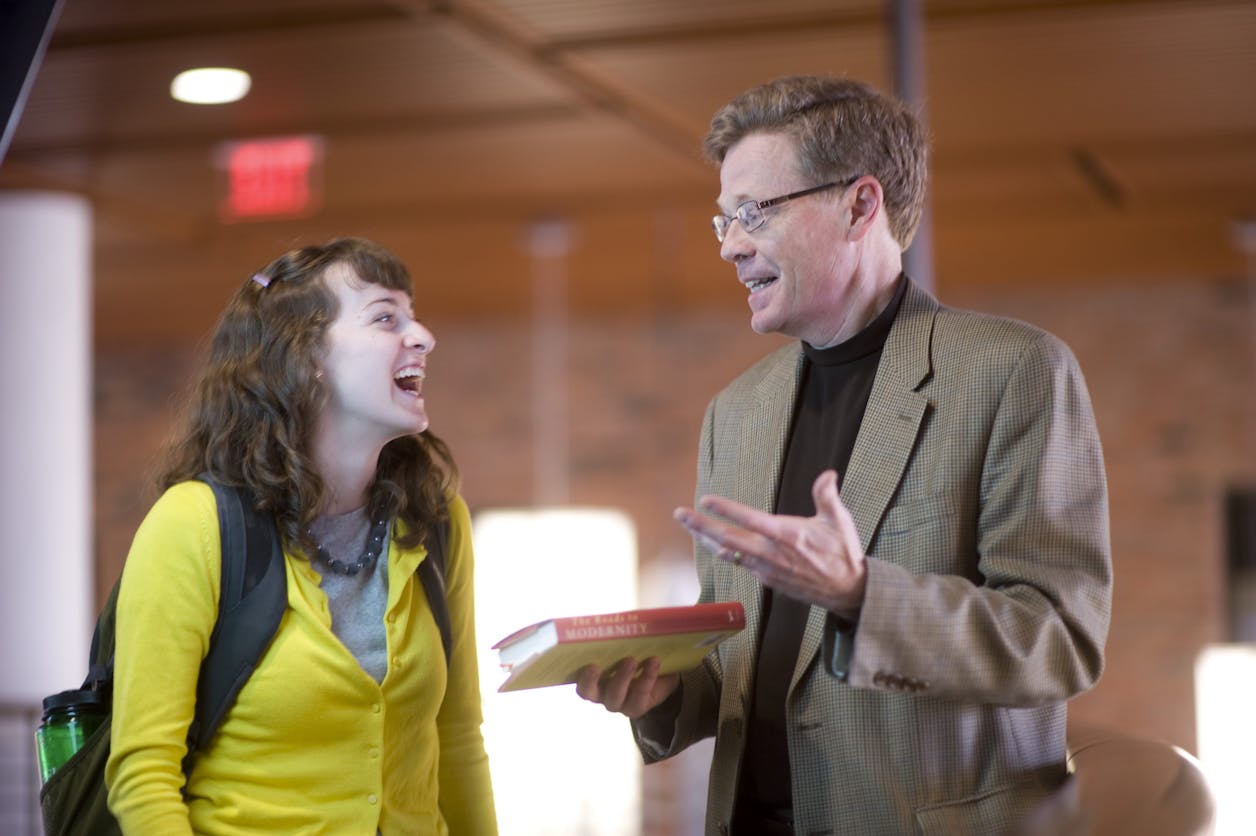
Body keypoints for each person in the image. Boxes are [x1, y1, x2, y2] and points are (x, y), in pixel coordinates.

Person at [576, 76, 1112, 835]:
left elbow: (1057, 641)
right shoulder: (736, 413)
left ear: (860, 206)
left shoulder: (1012, 370)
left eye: (755, 213)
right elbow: (736, 660)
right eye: (724, 219)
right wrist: (661, 691)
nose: (730, 245)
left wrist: (862, 595)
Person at [104, 237, 498, 834]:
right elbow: (143, 774)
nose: (422, 336)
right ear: (306, 353)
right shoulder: (194, 524)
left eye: (413, 316)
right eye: (386, 318)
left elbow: (459, 737)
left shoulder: (437, 521)